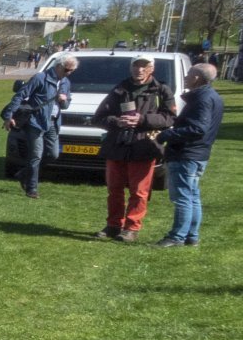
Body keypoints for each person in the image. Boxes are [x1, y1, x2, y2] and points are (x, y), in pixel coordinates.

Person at [90, 56, 175, 242]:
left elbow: (170, 118)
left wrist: (142, 120)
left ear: (152, 68)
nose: (139, 69)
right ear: (131, 68)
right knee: (114, 189)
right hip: (117, 145)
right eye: (136, 65)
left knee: (139, 191)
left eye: (144, 66)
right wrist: (117, 121)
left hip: (144, 146)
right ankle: (113, 225)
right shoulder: (120, 88)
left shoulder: (161, 90)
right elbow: (99, 117)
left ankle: (131, 228)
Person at [154, 62, 223, 247]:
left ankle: (177, 236)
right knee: (192, 195)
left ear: (197, 78)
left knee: (183, 197)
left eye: (189, 74)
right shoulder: (211, 96)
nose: (185, 77)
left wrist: (166, 135)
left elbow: (197, 128)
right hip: (198, 153)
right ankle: (191, 236)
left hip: (187, 153)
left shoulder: (202, 99)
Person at [1, 55, 76, 197]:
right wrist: (9, 116)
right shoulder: (40, 78)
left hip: (53, 122)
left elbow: (65, 105)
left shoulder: (66, 82)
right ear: (58, 66)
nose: (69, 73)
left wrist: (64, 100)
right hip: (36, 121)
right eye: (67, 70)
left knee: (53, 154)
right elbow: (20, 95)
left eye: (72, 71)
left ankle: (24, 174)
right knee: (36, 155)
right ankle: (32, 188)